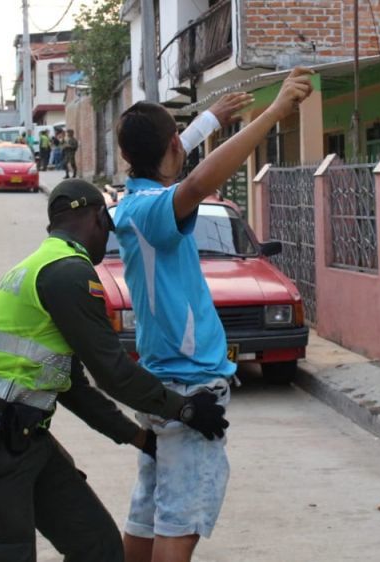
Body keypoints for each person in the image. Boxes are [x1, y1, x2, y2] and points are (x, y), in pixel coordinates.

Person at [0, 179, 229, 561]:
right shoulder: (69, 273)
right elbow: (113, 371)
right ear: (100, 218)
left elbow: (71, 386)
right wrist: (183, 408)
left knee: (99, 548)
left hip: (21, 439)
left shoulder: (41, 264)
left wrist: (140, 438)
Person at [114, 75, 299, 562]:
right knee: (181, 518)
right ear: (172, 146)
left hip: (160, 380)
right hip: (189, 384)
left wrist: (209, 122)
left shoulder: (130, 203)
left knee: (150, 509)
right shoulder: (158, 209)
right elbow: (196, 182)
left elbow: (170, 162)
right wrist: (274, 112)